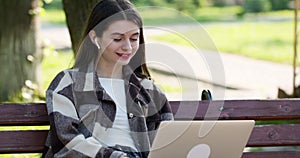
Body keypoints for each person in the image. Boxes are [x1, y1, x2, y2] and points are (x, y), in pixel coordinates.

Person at [42, 0, 174, 157]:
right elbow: (68, 143)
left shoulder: (149, 90)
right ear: (94, 37)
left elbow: (167, 143)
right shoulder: (68, 83)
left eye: (133, 38)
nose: (128, 47)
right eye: (118, 39)